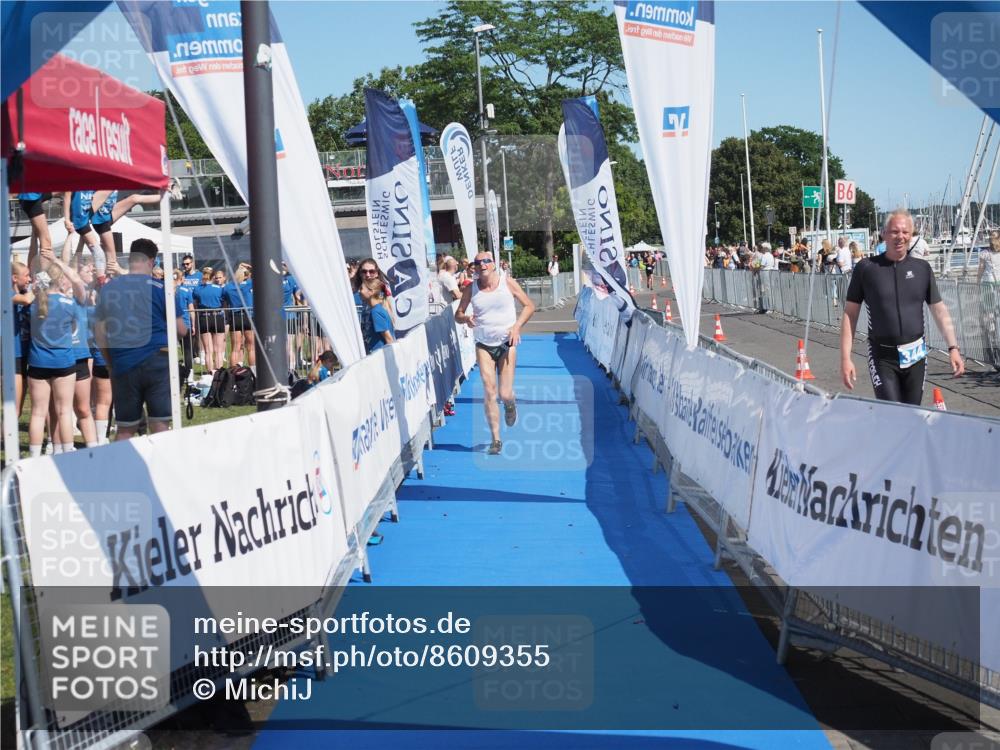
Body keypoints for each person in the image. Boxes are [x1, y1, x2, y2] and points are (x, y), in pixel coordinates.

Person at [840, 210, 964, 405]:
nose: (900, 237)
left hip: (916, 356)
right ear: (884, 234)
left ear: (911, 235)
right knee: (893, 414)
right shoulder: (866, 268)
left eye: (905, 232)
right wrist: (845, 357)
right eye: (894, 231)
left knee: (912, 414)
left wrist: (953, 348)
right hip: (882, 357)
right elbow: (850, 315)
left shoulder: (922, 269)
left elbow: (939, 310)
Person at [94, 238, 188, 440]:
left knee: (126, 428)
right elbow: (181, 330)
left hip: (123, 362)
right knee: (160, 424)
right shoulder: (162, 288)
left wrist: (110, 363)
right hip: (158, 360)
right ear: (151, 260)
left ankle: (120, 470)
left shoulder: (109, 289)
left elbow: (99, 332)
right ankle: (160, 470)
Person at [455, 250, 536, 455]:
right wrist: (466, 319)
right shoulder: (470, 289)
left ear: (493, 264)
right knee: (489, 391)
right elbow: (459, 314)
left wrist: (516, 327)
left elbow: (529, 306)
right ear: (474, 266)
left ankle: (510, 404)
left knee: (504, 393)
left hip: (507, 343)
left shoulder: (507, 283)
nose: (482, 265)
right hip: (483, 344)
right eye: (477, 262)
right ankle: (496, 439)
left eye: (486, 261)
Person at [26, 255, 88, 456]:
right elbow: (79, 283)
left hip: (38, 362)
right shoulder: (69, 304)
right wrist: (61, 263)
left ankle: (35, 457)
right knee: (64, 412)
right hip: (64, 362)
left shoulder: (34, 302)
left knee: (37, 413)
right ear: (61, 279)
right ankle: (67, 454)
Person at [11, 261, 34, 417]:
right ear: (14, 278)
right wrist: (39, 287)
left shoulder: (24, 291)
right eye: (26, 275)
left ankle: (4, 438)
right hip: (13, 354)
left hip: (25, 353)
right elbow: (26, 300)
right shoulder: (5, 291)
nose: (29, 279)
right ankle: (4, 438)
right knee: (14, 406)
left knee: (17, 409)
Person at [193, 267, 226, 373]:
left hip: (204, 317)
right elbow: (223, 300)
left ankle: (210, 373)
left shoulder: (198, 289)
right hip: (217, 317)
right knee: (219, 350)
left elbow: (195, 300)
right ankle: (219, 373)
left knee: (208, 350)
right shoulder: (219, 288)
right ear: (213, 277)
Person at [977, 229, 1000, 371]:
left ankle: (992, 329)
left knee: (988, 309)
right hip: (999, 282)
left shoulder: (984, 253)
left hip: (987, 282)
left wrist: (977, 281)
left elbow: (980, 269)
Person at [364, 278, 395, 352]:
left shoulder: (376, 311)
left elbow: (389, 339)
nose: (359, 292)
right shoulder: (378, 308)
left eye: (362, 289)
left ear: (371, 292)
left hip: (379, 356)